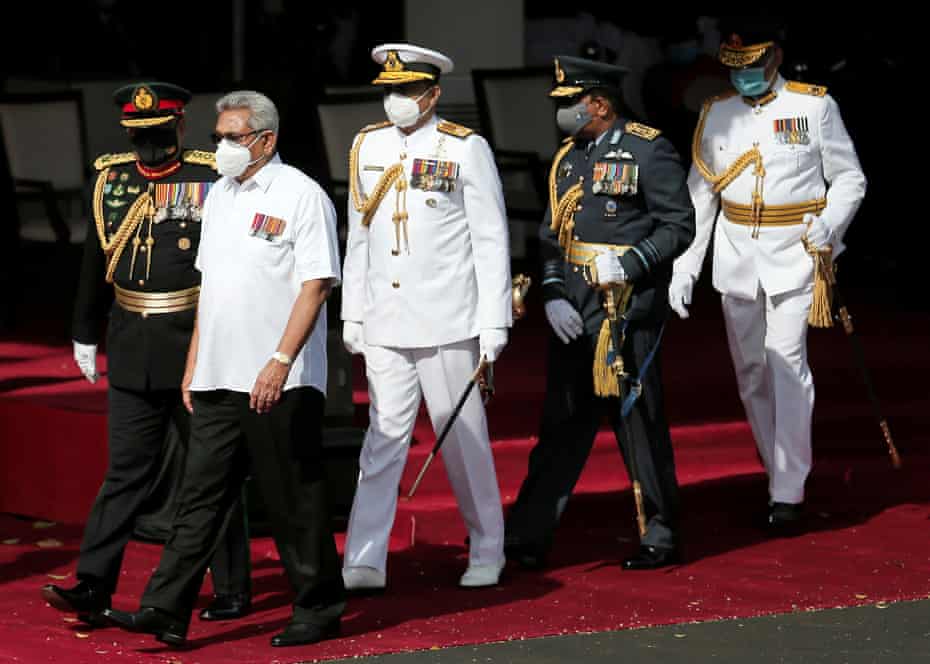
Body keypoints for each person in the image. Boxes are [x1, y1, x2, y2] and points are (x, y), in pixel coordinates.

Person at [99, 90, 345, 648]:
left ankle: (318, 605)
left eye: (233, 137)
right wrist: (193, 365)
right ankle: (165, 607)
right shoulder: (222, 197)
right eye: (218, 137)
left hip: (276, 376)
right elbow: (208, 287)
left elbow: (316, 284)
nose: (223, 147)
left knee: (291, 496)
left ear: (266, 139)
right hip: (217, 373)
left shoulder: (301, 195)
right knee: (199, 495)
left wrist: (280, 361)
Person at [41, 82, 251, 626]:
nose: (150, 148)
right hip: (132, 340)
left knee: (210, 472)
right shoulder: (111, 178)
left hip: (194, 342)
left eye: (158, 136)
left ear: (179, 128)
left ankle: (231, 587)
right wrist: (84, 331)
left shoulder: (209, 177)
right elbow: (95, 258)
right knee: (125, 473)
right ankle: (93, 583)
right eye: (141, 137)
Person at [668, 17, 866, 530]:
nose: (743, 77)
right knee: (751, 372)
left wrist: (828, 226)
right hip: (736, 255)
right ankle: (774, 466)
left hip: (797, 250)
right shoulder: (717, 112)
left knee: (786, 364)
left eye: (752, 66)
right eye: (734, 68)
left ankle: (788, 488)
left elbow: (849, 178)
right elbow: (701, 194)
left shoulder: (813, 104)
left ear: (774, 57)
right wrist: (687, 264)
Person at [505, 55, 695, 571]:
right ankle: (527, 536)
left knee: (639, 423)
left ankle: (659, 531)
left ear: (600, 103)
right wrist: (552, 294)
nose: (562, 111)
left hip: (626, 308)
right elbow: (549, 237)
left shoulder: (647, 149)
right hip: (576, 303)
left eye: (570, 102)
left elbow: (678, 226)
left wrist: (631, 263)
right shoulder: (567, 157)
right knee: (560, 425)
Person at [340, 43, 512, 591]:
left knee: (462, 436)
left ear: (433, 93)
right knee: (382, 437)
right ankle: (365, 556)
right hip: (385, 318)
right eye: (391, 91)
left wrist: (495, 322)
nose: (397, 101)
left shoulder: (466, 148)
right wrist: (353, 313)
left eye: (408, 91)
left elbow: (490, 240)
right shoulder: (367, 144)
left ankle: (488, 546)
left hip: (447, 319)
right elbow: (359, 235)